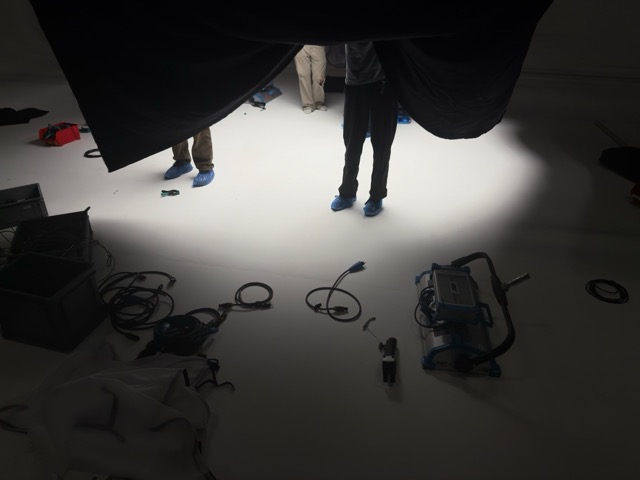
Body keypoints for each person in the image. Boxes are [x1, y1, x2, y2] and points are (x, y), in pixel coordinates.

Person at [330, 42, 398, 217]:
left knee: (382, 144)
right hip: (355, 81)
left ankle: (377, 195)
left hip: (383, 81)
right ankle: (347, 193)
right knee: (352, 143)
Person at [293, 45, 327, 114]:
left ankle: (319, 102)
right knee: (303, 75)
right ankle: (307, 104)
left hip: (318, 44)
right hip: (300, 45)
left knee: (319, 77)